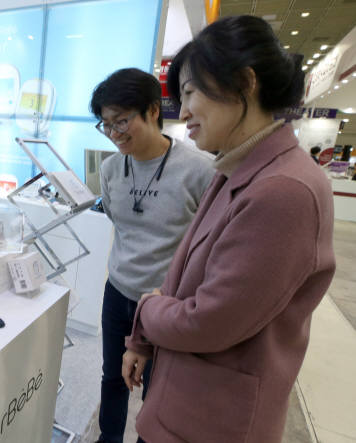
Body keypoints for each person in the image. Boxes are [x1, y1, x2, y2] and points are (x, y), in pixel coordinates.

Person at [122, 15, 335, 443]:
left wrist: (146, 311)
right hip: (182, 398)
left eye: (189, 93)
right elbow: (184, 269)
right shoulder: (239, 166)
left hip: (212, 420)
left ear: (244, 82)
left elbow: (212, 321)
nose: (182, 113)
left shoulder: (284, 190)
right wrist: (142, 341)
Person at [89, 68, 214, 443]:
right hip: (119, 292)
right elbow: (116, 218)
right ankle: (108, 438)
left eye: (122, 121)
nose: (114, 133)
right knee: (112, 376)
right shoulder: (111, 169)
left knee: (160, 390)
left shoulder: (199, 170)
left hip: (168, 301)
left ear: (152, 111)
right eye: (106, 125)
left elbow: (205, 242)